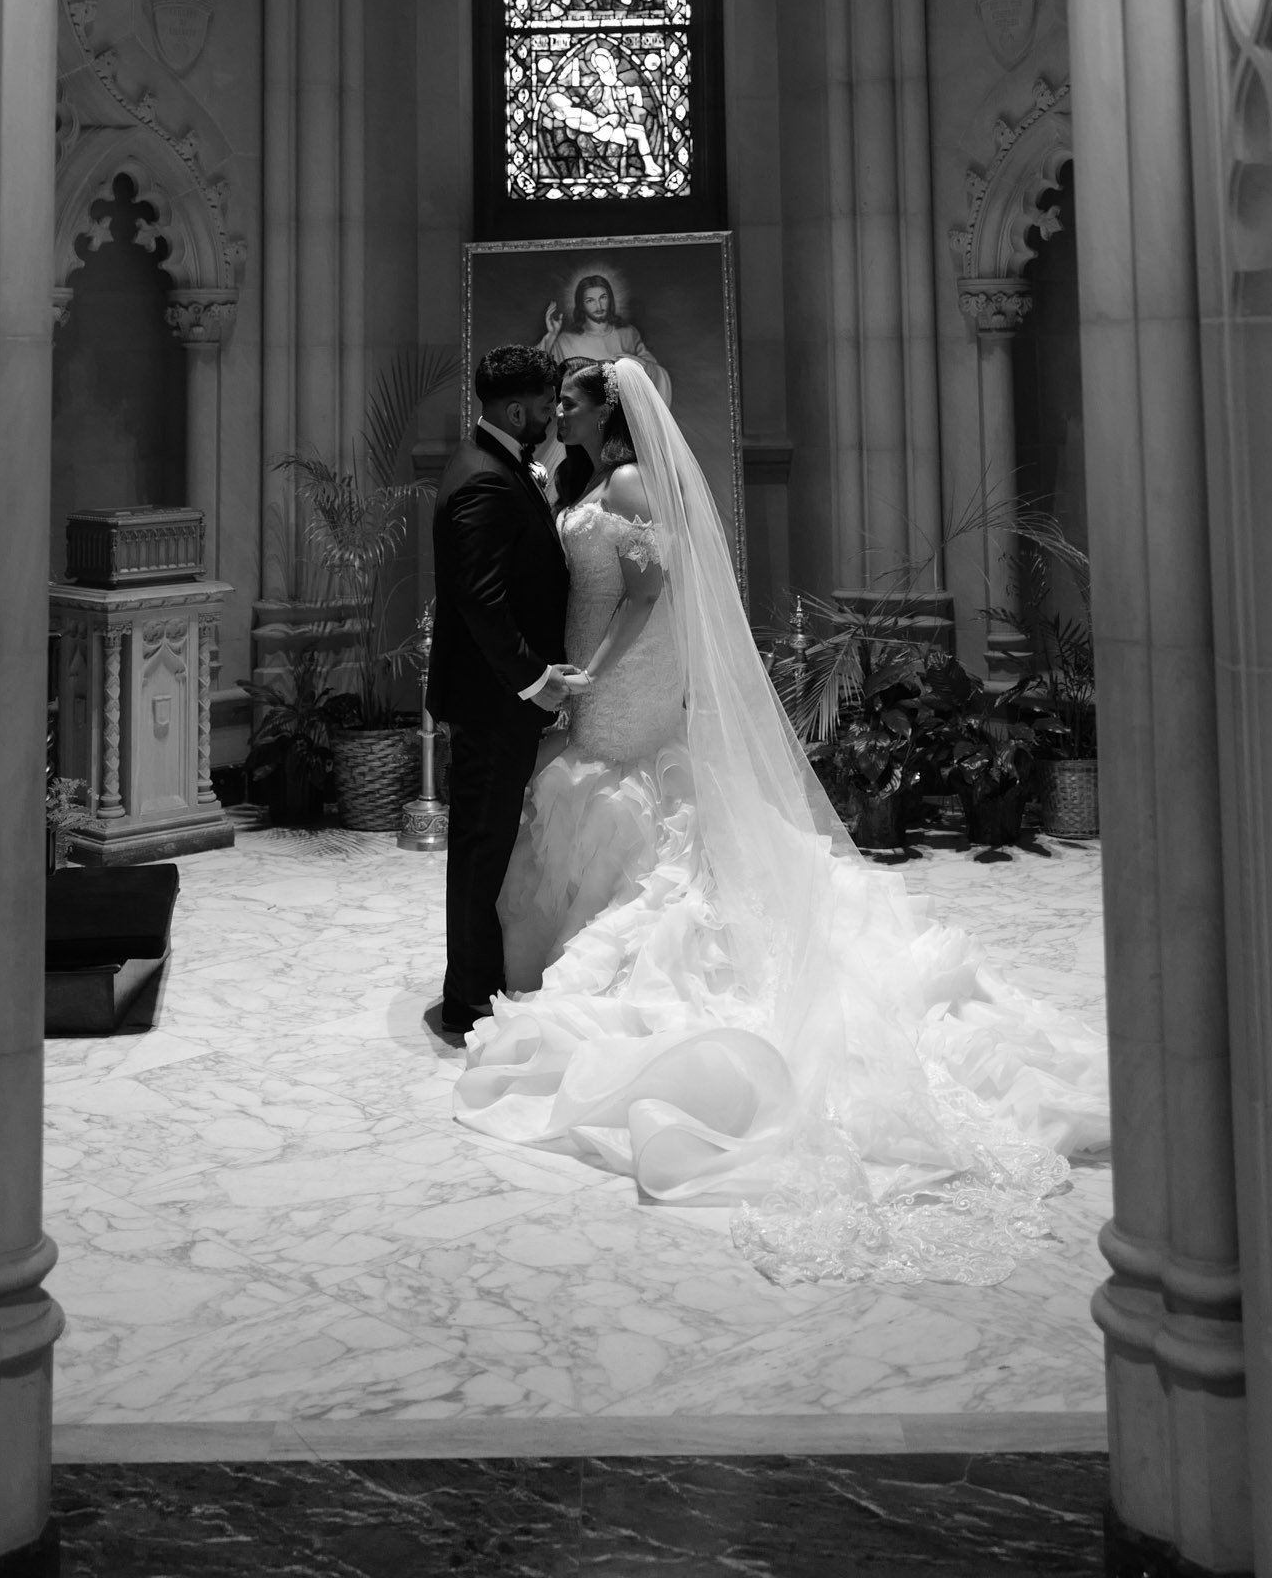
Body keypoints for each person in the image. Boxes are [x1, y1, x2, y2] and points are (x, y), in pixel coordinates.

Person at [457, 356, 1110, 1285]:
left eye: (571, 398)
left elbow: (650, 596)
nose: (557, 409)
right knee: (596, 787)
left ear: (611, 412)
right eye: (557, 396)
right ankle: (579, 926)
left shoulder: (634, 481)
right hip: (587, 662)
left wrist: (592, 672)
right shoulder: (582, 479)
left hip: (624, 670)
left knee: (621, 784)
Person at [423, 345, 589, 1048]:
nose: (554, 415)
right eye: (548, 404)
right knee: (481, 845)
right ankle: (466, 998)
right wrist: (537, 680)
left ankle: (479, 978)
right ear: (516, 409)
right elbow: (481, 601)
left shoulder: (495, 465)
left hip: (499, 698)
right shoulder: (484, 482)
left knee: (486, 843)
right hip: (496, 701)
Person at [541, 265, 671, 402]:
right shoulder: (565, 341)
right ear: (581, 305)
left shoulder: (628, 334)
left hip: (623, 411)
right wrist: (550, 336)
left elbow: (656, 374)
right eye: (590, 300)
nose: (599, 306)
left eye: (603, 298)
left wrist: (640, 366)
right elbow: (541, 377)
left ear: (610, 299)